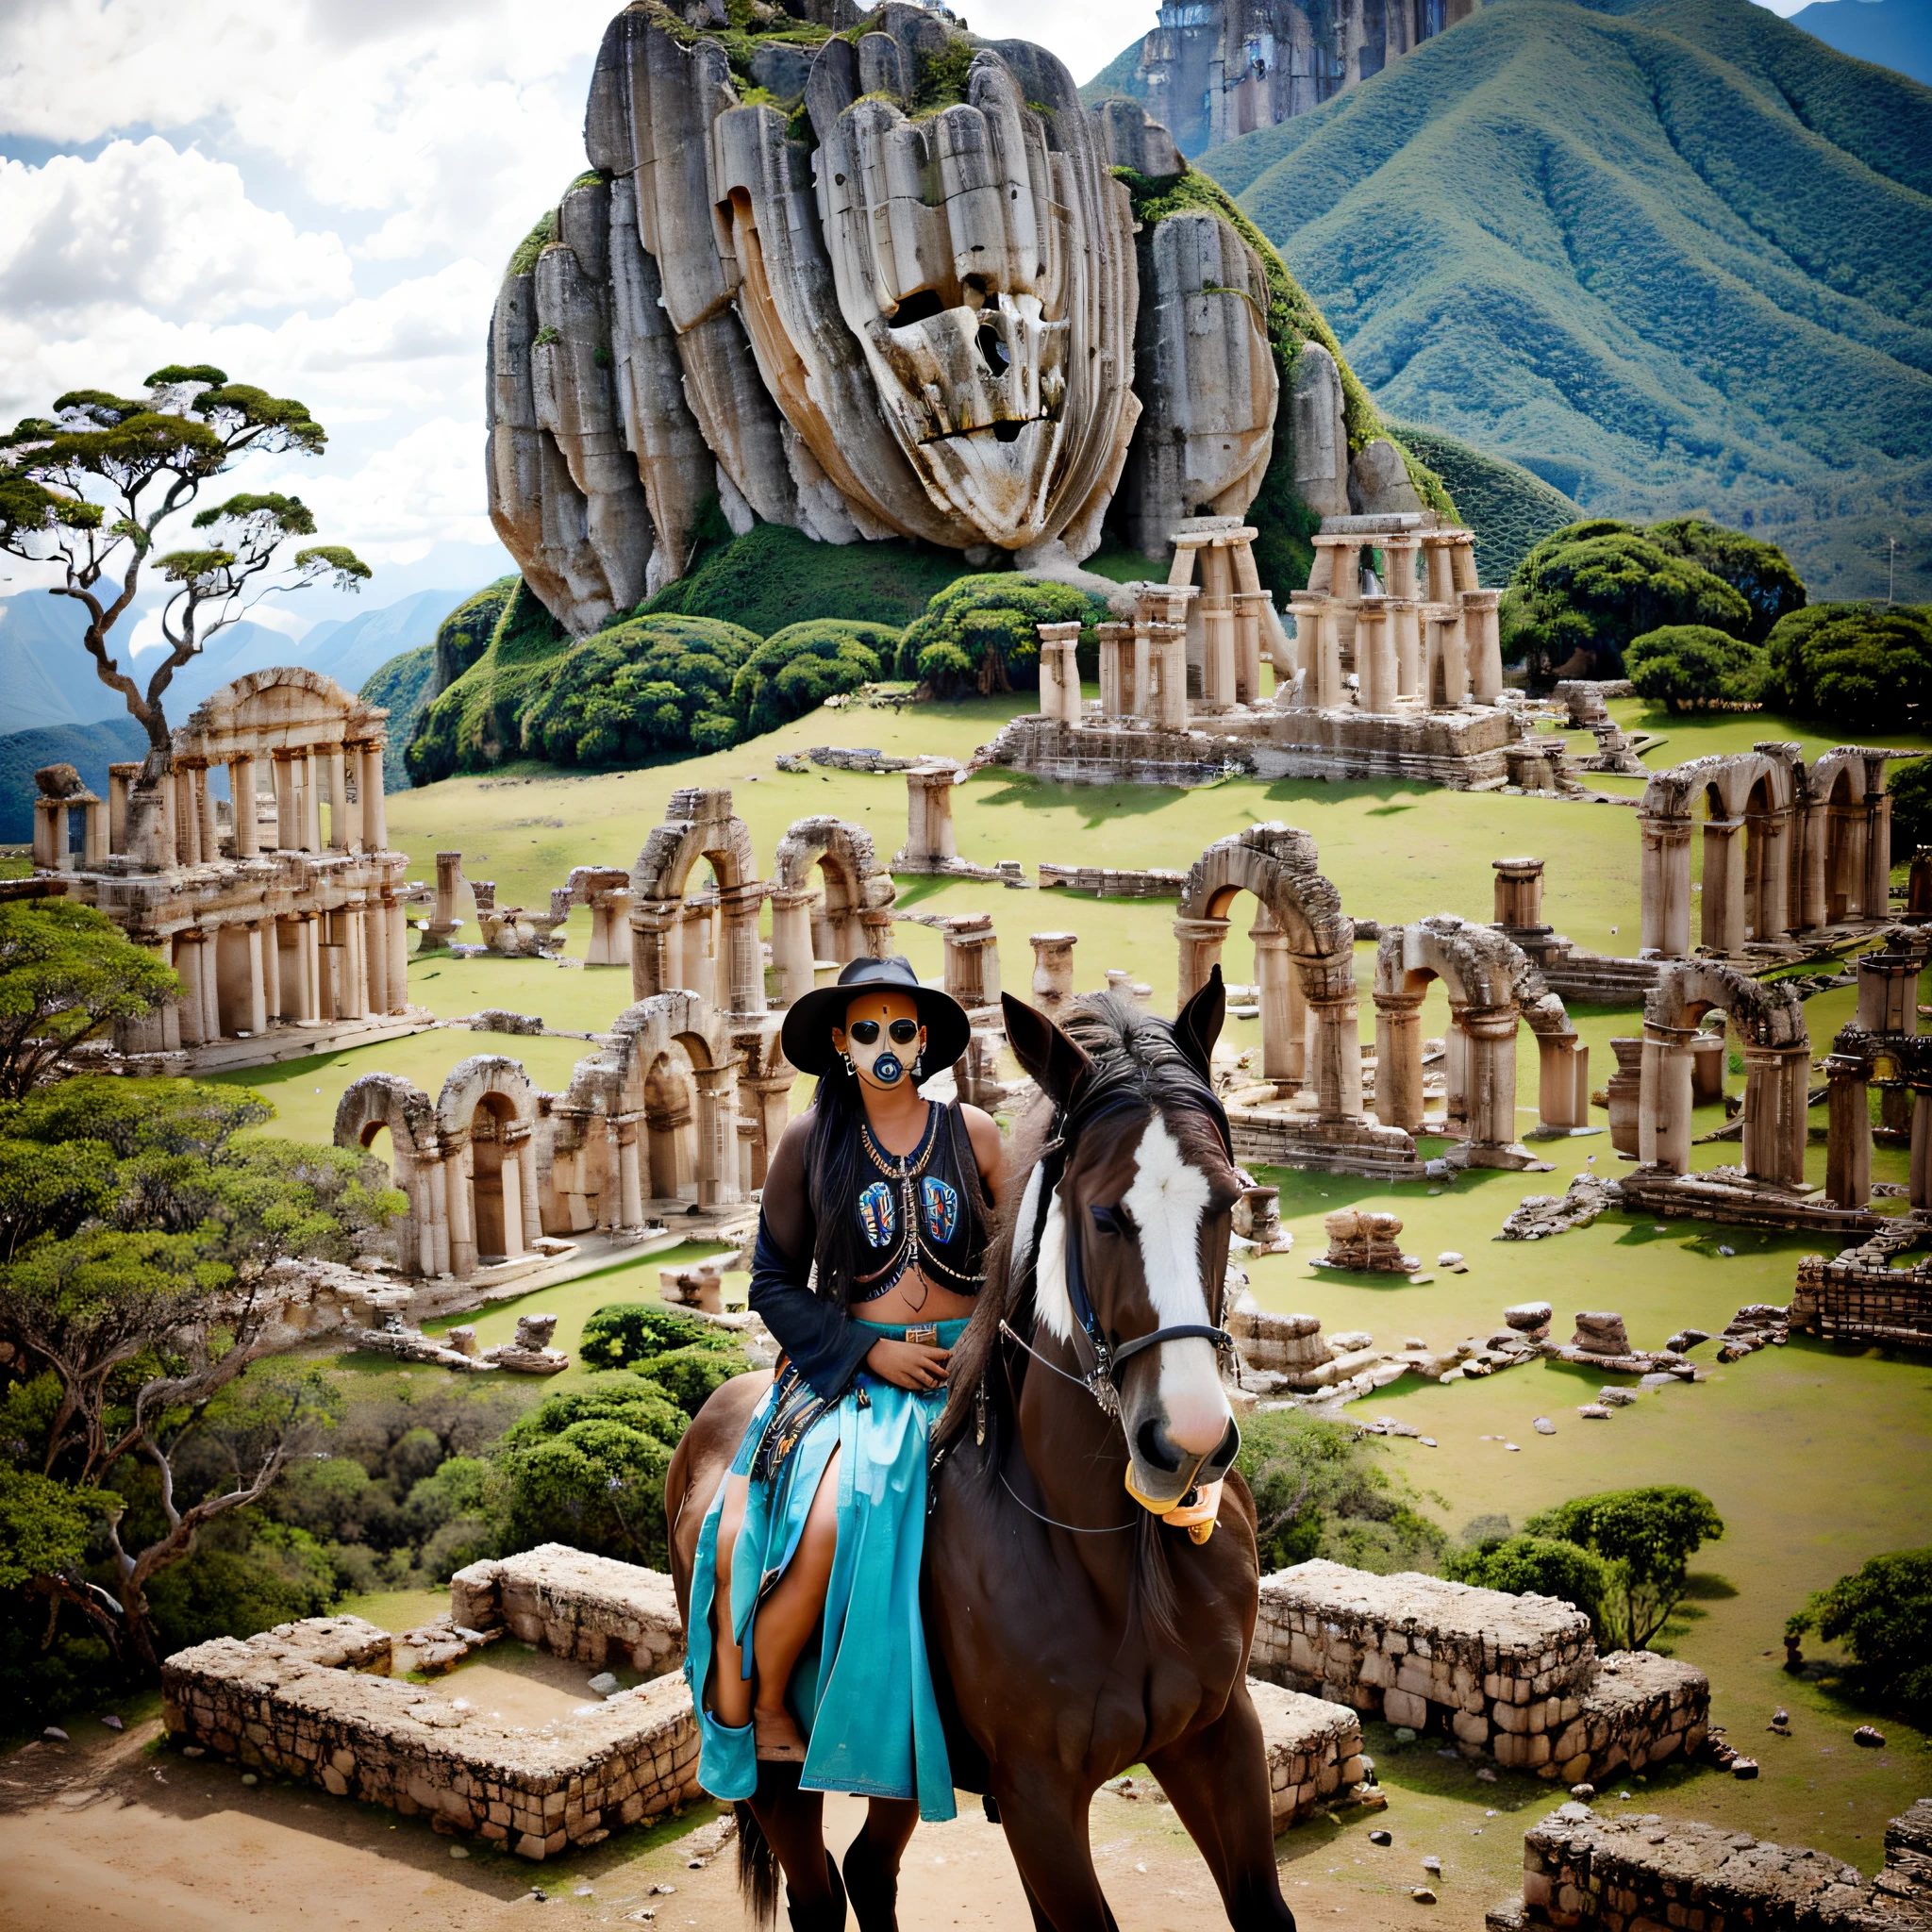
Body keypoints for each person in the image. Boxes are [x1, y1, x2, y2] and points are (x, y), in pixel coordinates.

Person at [683, 956, 1001, 1908]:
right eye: (867, 1031)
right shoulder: (808, 1141)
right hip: (855, 1370)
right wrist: (867, 1353)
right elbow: (772, 1283)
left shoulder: (974, 1134)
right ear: (837, 1041)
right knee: (825, 1522)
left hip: (972, 1366)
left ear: (926, 1041)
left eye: (903, 1030)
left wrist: (978, 1344)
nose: (887, 1048)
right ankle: (768, 1705)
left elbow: (1018, 1261)